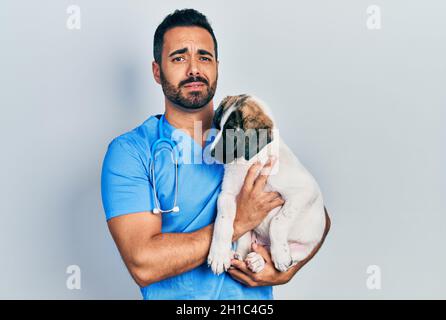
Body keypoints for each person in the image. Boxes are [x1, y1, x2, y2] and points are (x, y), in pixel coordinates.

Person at [101, 8, 331, 300]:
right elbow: (143, 263)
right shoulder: (131, 152)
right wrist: (237, 224)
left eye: (204, 57)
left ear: (217, 67)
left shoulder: (250, 133)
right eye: (179, 58)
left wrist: (288, 269)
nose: (194, 69)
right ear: (157, 71)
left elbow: (314, 207)